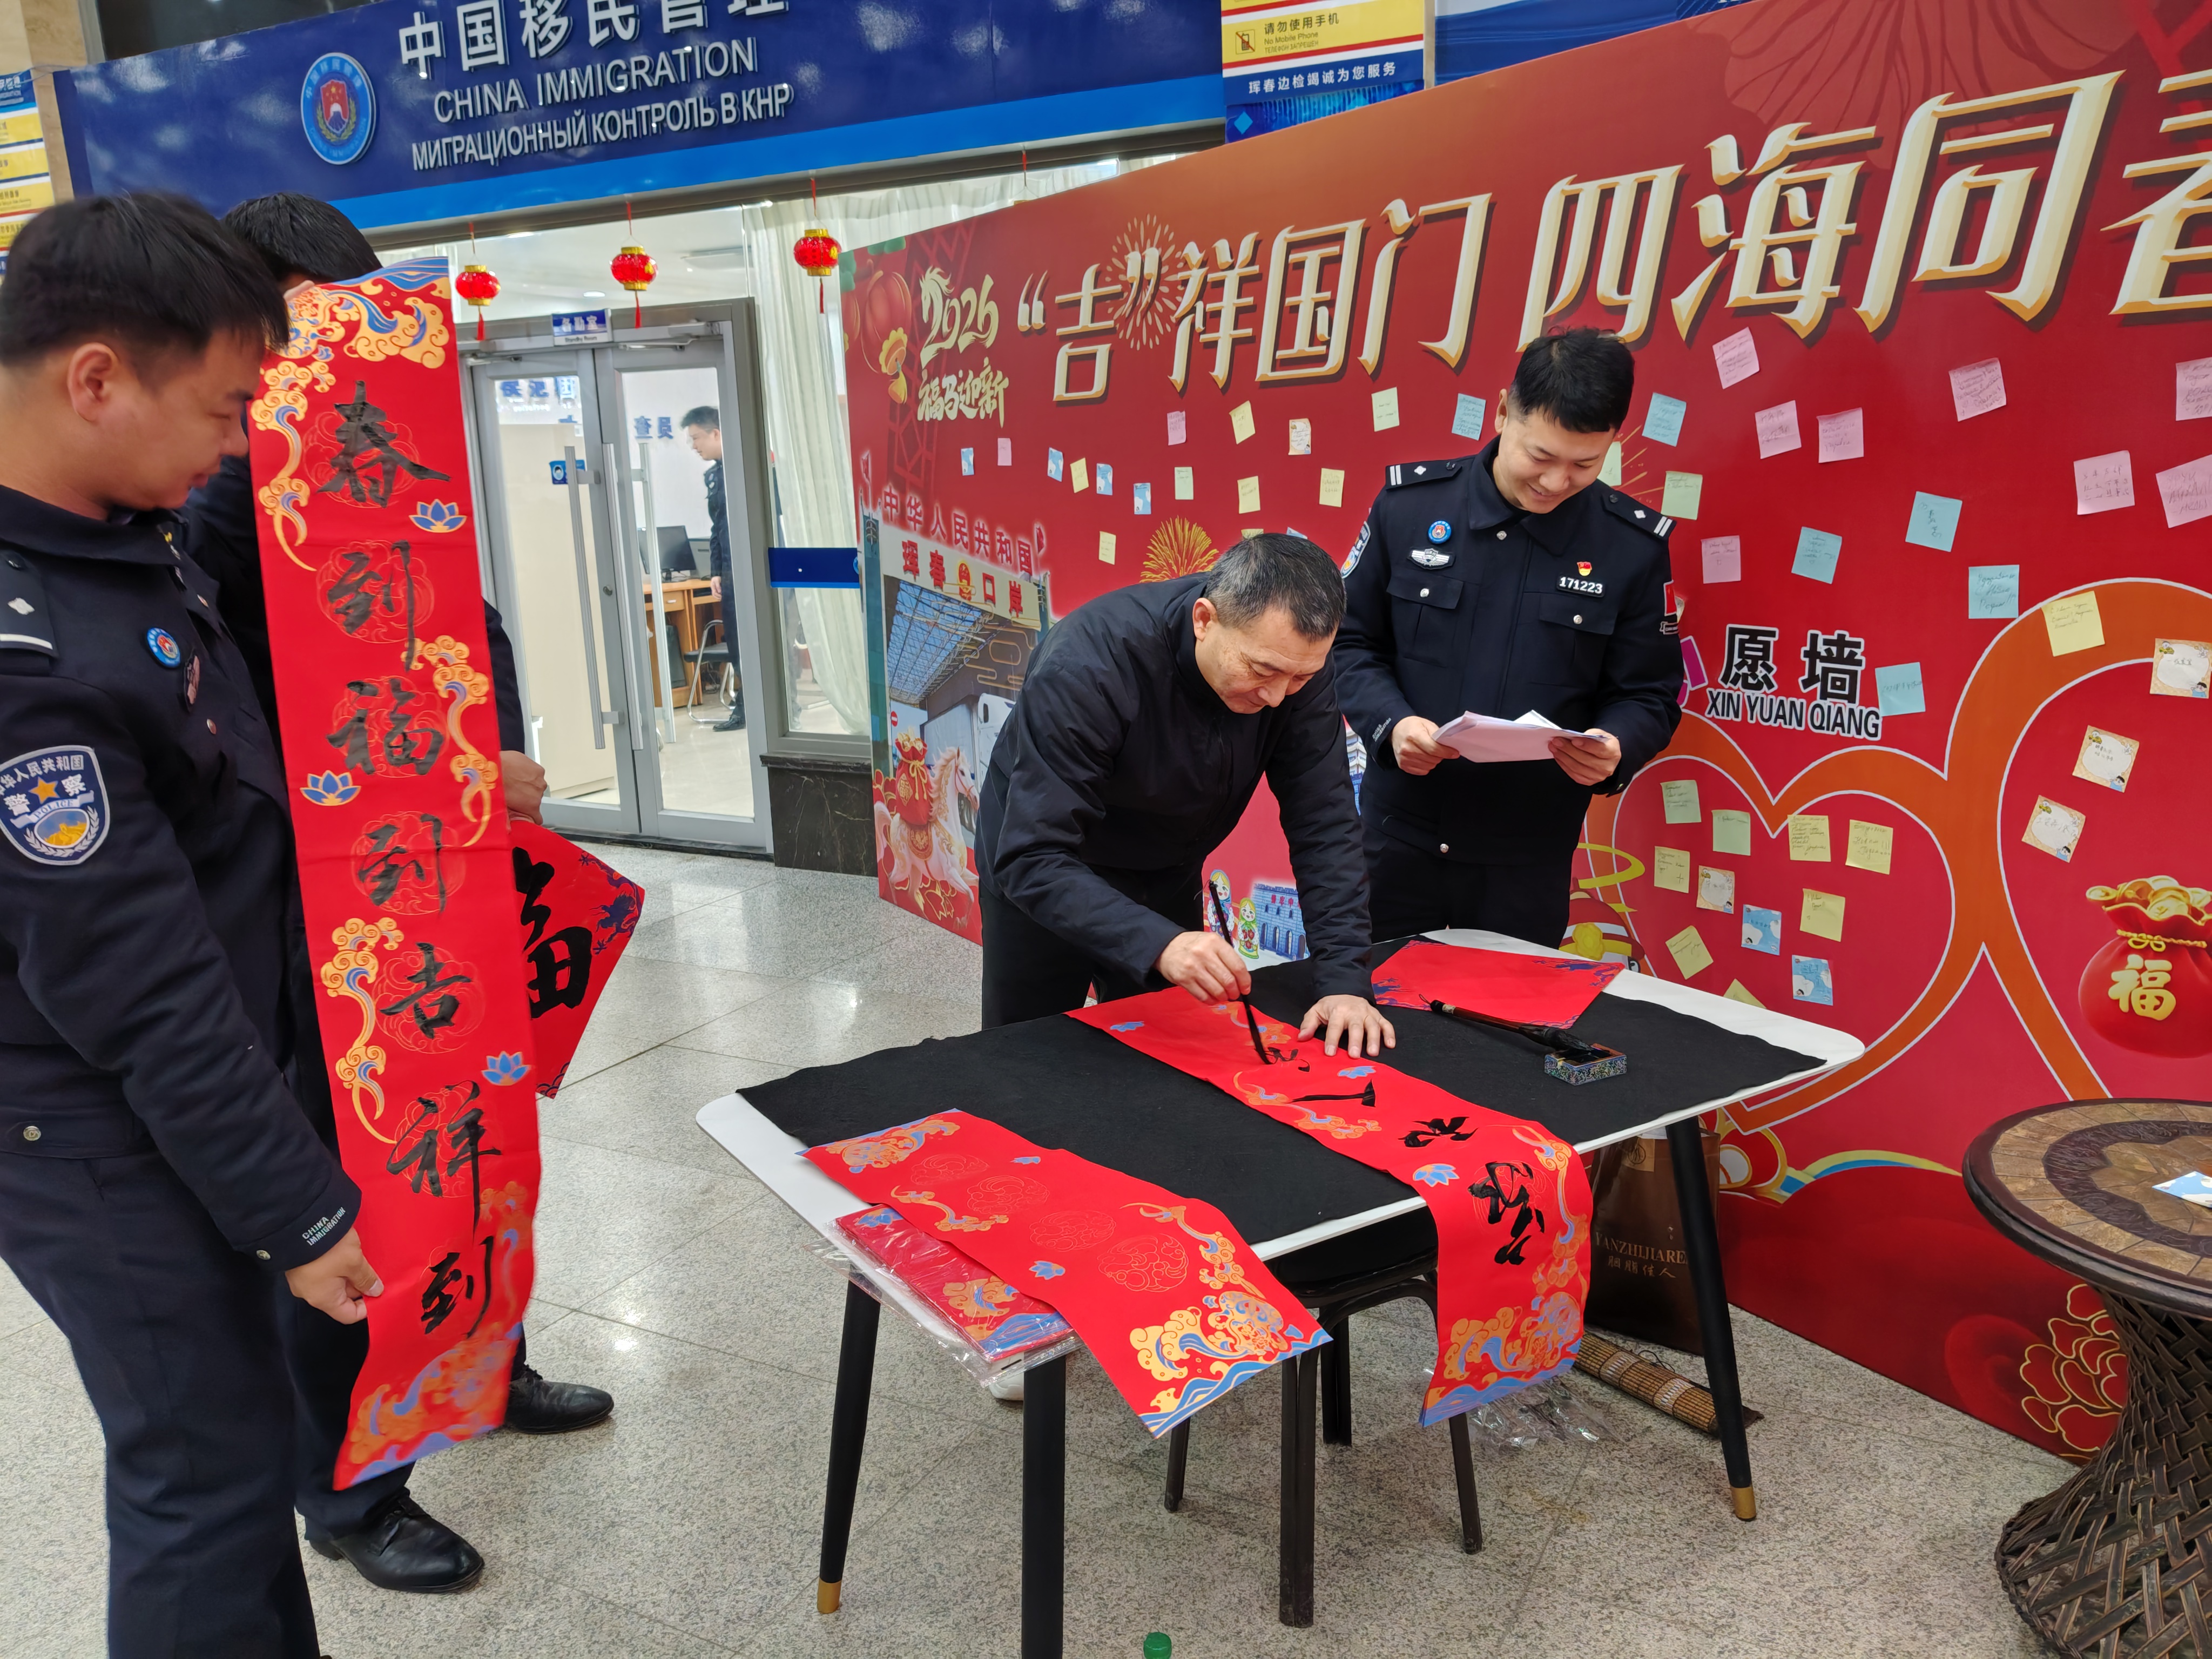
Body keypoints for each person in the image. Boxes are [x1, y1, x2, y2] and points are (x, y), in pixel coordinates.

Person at [182, 190, 613, 1596]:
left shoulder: (375, 433)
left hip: (444, 880)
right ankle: (347, 1489)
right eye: (322, 318)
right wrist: (454, 769)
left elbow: (455, 619)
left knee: (475, 1141)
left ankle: (480, 1367)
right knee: (354, 1185)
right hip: (319, 917)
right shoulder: (217, 490)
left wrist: (494, 767)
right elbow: (243, 719)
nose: (352, 342)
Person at [0, 192, 379, 1658]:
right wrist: (297, 1207)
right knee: (202, 1478)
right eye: (225, 409)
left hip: (187, 1093)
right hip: (97, 1132)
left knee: (234, 1444)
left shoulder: (116, 534)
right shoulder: (27, 661)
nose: (238, 445)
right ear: (97, 378)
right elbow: (139, 981)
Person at [1332, 328, 1684, 950]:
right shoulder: (1409, 508)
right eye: (1540, 456)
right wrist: (1391, 724)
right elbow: (1347, 642)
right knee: (1365, 999)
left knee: (1504, 1014)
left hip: (1525, 862)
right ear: (1502, 413)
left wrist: (1615, 746)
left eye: (1584, 465)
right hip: (1394, 843)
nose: (1556, 481)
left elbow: (1648, 694)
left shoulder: (1629, 548)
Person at [976, 532, 1392, 1057]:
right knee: (1028, 1055)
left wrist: (1344, 981)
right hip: (1049, 871)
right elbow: (1031, 855)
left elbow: (1325, 822)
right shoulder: (1089, 664)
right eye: (1261, 671)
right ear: (1204, 620)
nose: (1276, 697)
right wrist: (1158, 942)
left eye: (1299, 678)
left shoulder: (1292, 664)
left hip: (1165, 869)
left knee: (1162, 1052)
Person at [681, 403, 744, 730]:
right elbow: (718, 526)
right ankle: (745, 706)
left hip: (748, 569)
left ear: (716, 433)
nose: (694, 446)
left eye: (696, 438)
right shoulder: (717, 474)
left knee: (752, 640)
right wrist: (717, 570)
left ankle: (754, 707)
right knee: (735, 639)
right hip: (731, 570)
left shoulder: (745, 467)